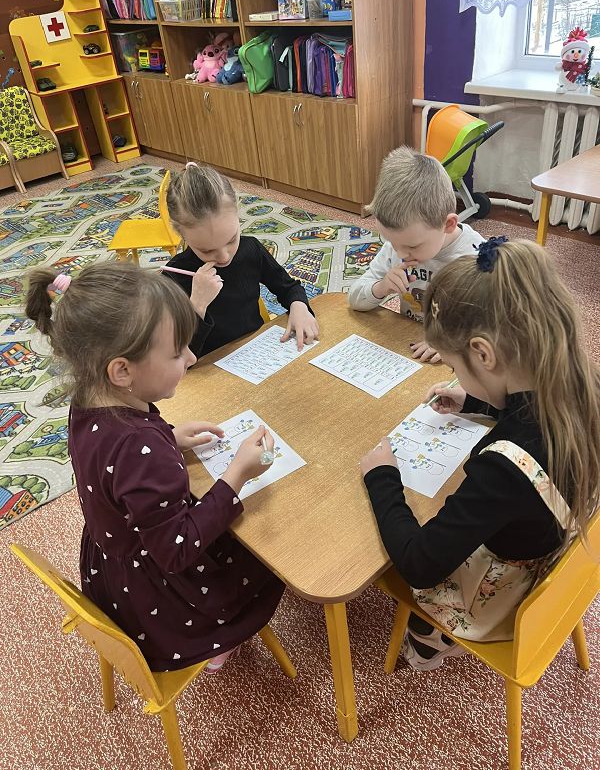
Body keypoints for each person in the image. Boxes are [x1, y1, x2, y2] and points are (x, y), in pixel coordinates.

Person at [25, 262, 285, 673]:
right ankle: (219, 638)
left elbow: (112, 465)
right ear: (122, 370)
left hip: (111, 572)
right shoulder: (140, 448)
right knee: (270, 557)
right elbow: (176, 551)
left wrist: (170, 437)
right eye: (177, 352)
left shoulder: (89, 400)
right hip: (162, 601)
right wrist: (237, 473)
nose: (191, 357)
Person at [359, 238, 600, 670]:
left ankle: (430, 639)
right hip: (560, 544)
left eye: (455, 367)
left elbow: (419, 565)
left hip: (499, 592)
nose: (456, 374)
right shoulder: (581, 380)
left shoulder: (502, 468)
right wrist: (476, 401)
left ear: (483, 353)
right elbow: (533, 418)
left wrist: (382, 477)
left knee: (374, 554)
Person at [164, 162, 319, 358]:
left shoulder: (250, 249)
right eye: (207, 250)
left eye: (231, 240)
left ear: (238, 214)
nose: (224, 256)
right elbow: (176, 356)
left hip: (256, 352)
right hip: (207, 368)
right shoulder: (173, 278)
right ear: (181, 233)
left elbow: (288, 287)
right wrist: (197, 306)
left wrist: (299, 306)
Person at [348, 145, 485, 363]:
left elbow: (495, 328)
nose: (401, 253)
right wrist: (381, 287)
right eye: (391, 241)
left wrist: (450, 342)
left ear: (448, 224)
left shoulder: (476, 258)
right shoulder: (398, 246)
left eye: (412, 246)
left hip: (454, 362)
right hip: (410, 348)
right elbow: (354, 300)